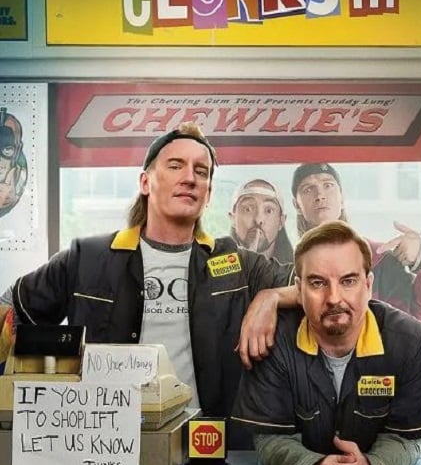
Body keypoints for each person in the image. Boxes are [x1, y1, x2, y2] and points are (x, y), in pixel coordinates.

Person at [0, 122, 294, 447]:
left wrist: (270, 297)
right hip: (105, 449)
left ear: (208, 194)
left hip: (208, 451)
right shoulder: (87, 258)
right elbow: (11, 310)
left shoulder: (236, 263)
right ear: (145, 182)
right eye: (175, 165)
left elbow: (316, 285)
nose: (189, 178)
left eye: (201, 171)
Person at [232, 220, 421, 465]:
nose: (334, 298)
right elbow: (270, 438)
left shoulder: (412, 342)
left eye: (348, 281)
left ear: (368, 285)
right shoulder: (274, 342)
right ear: (298, 289)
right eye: (318, 283)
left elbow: (408, 438)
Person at [291, 162, 421, 323]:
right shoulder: (288, 270)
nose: (320, 195)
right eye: (308, 189)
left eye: (328, 185)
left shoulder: (380, 261)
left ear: (342, 198)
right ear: (296, 205)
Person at [229, 178, 293, 263]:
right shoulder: (215, 267)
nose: (258, 220)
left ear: (281, 221)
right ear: (233, 218)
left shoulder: (298, 268)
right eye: (247, 209)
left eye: (269, 210)